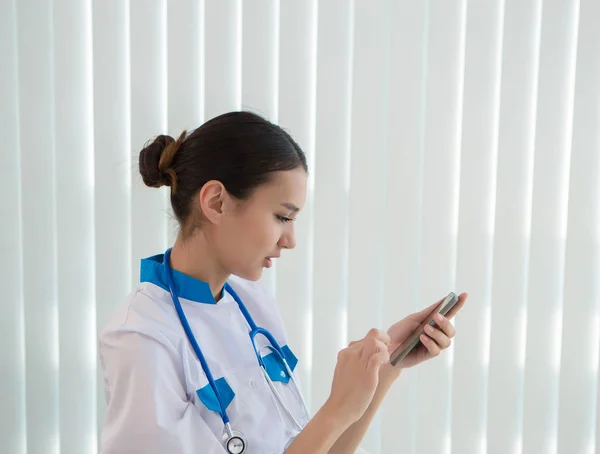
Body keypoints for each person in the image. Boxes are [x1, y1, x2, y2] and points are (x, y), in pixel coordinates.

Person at [99, 111, 467, 454]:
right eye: (281, 216)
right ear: (216, 202)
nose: (290, 240)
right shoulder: (140, 337)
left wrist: (386, 367)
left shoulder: (253, 304)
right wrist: (337, 409)